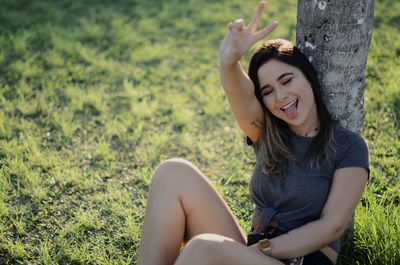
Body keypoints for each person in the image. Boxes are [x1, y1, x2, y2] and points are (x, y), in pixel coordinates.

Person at [137, 1, 369, 265]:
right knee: (173, 172)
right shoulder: (269, 132)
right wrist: (229, 61)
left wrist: (261, 250)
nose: (281, 97)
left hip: (300, 259)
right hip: (255, 254)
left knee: (203, 249)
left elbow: (332, 227)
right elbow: (241, 97)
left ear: (308, 78)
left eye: (287, 80)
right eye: (268, 91)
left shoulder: (348, 146)